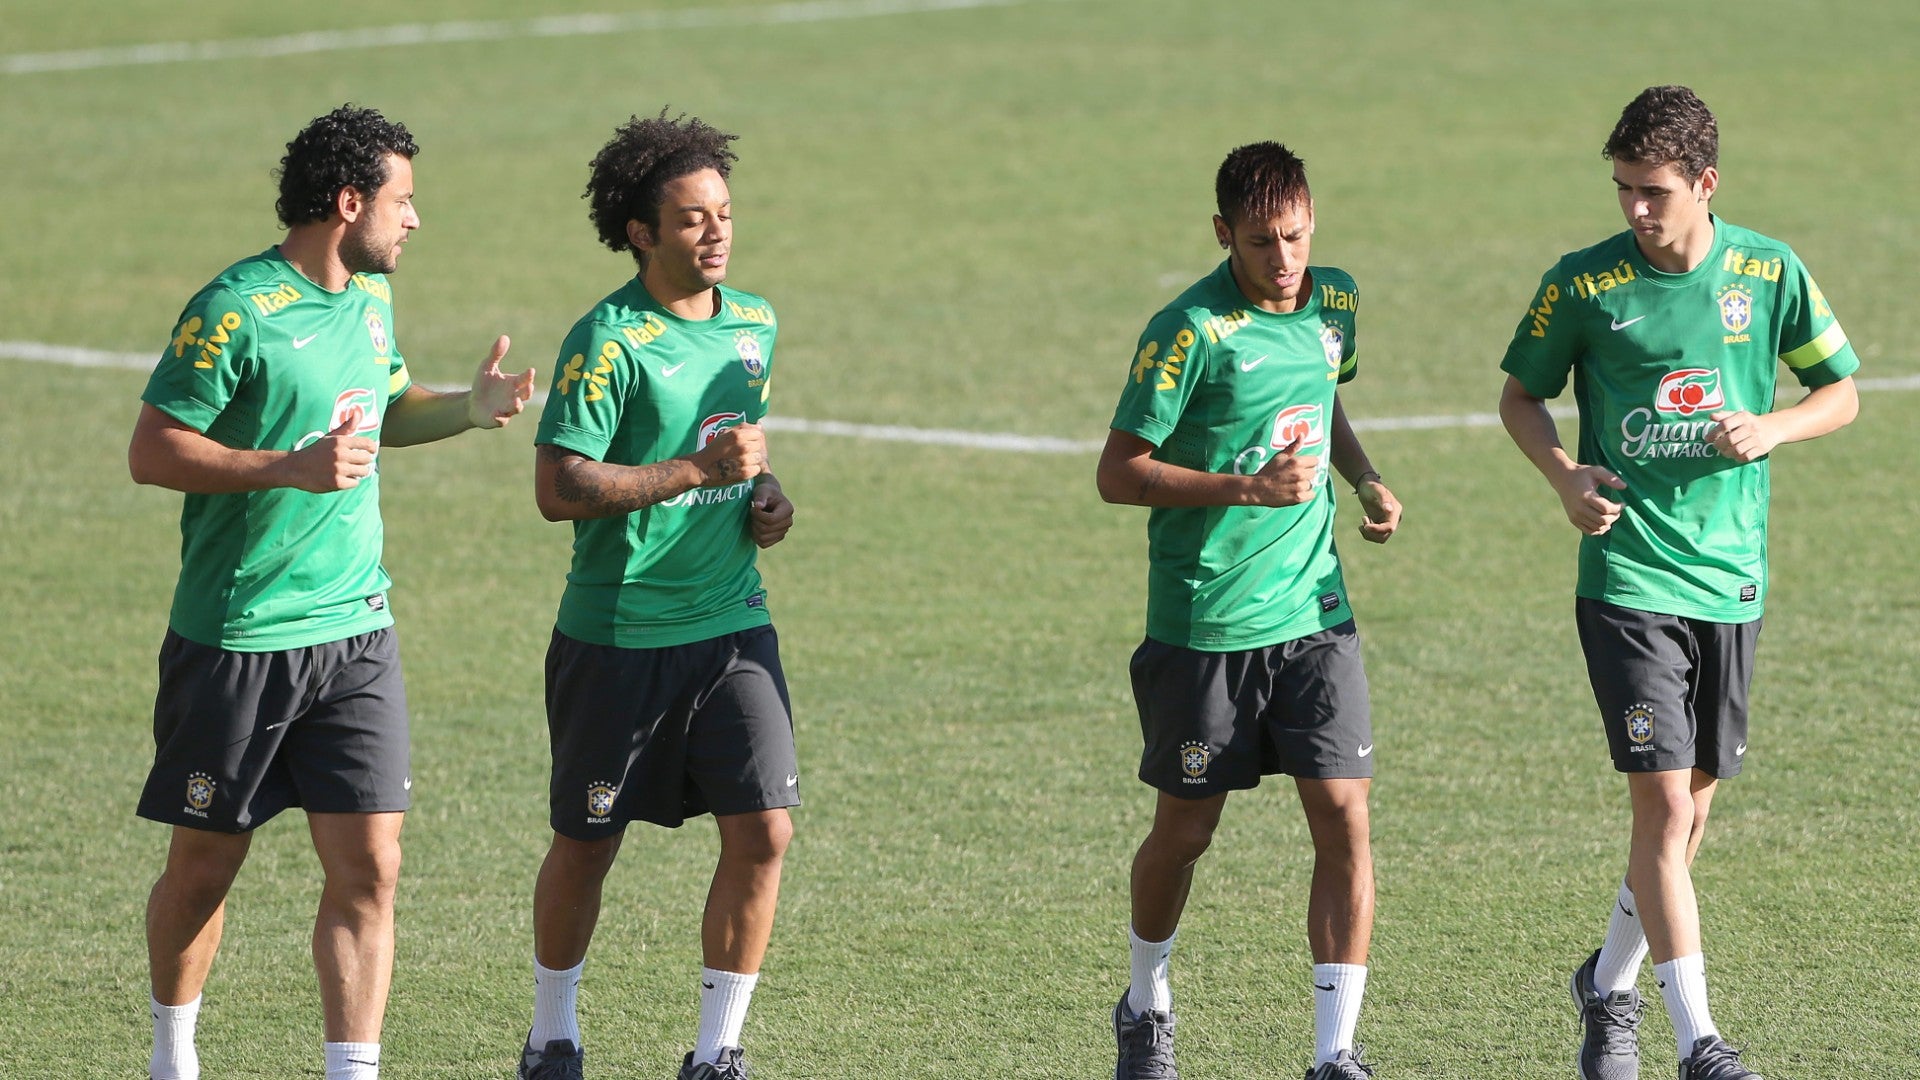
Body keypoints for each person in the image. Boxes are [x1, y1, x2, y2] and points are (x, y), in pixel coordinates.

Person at [129, 104, 536, 1080]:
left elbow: (385, 409)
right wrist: (284, 467)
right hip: (240, 637)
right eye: (403, 200)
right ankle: (172, 1056)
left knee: (371, 868)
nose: (416, 220)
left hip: (356, 631)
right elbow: (154, 450)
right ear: (349, 202)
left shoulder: (369, 301)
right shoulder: (235, 308)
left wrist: (467, 411)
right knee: (203, 871)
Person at [1498, 85, 1859, 1080]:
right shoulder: (1582, 286)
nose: (1635, 210)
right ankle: (1699, 1039)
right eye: (1621, 189)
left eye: (1654, 191)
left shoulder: (1767, 270)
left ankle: (1607, 982)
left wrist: (1775, 426)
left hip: (1731, 580)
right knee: (1661, 806)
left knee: (1692, 814)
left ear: (1706, 184)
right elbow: (1521, 395)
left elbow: (1842, 391)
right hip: (1627, 575)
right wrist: (1566, 474)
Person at [1096, 141, 1403, 1080]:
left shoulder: (1335, 301)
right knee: (1185, 831)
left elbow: (1323, 398)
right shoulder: (1187, 331)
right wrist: (1246, 488)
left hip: (1316, 614)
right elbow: (1118, 474)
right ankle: (1146, 999)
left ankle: (1334, 1052)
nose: (1286, 261)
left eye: (1299, 237)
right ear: (1223, 232)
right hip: (1207, 626)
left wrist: (1365, 478)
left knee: (1345, 820)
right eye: (1265, 241)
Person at [517, 110, 798, 1080]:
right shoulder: (608, 342)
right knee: (587, 845)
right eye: (691, 219)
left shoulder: (754, 325)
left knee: (765, 831)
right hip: (619, 637)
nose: (715, 232)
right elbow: (561, 489)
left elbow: (742, 465)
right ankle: (554, 1034)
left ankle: (718, 1053)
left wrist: (764, 500)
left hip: (731, 623)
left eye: (723, 213)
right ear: (642, 233)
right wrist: (692, 470)